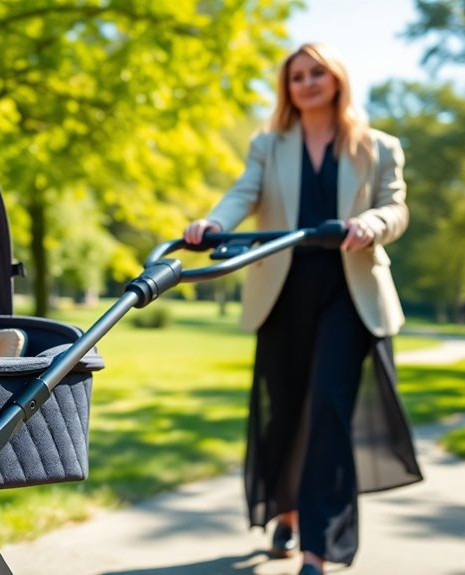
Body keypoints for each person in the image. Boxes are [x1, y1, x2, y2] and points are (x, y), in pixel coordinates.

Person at [184, 43, 423, 575]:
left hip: (349, 292)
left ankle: (319, 547)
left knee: (330, 412)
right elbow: (243, 194)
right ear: (287, 88)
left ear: (336, 79)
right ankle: (287, 513)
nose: (309, 82)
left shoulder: (378, 146)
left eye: (318, 73)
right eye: (297, 76)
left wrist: (372, 226)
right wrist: (213, 224)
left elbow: (395, 206)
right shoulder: (270, 144)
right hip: (284, 294)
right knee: (286, 413)